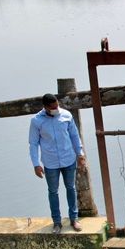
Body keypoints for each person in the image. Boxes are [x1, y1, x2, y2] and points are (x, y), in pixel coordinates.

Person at [30, 93, 86, 233]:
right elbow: (33, 143)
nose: (56, 109)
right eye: (53, 107)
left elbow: (74, 135)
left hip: (68, 158)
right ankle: (57, 222)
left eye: (57, 106)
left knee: (70, 188)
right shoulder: (36, 121)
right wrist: (36, 164)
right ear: (45, 107)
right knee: (53, 192)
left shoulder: (66, 115)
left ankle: (74, 218)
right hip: (50, 162)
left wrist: (80, 154)